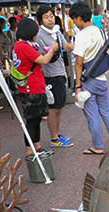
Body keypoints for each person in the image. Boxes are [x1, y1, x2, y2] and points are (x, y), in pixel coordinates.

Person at [71, 1, 109, 156]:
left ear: (79, 18)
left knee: (92, 114)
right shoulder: (100, 31)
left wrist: (78, 86)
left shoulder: (81, 36)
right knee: (107, 110)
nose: (74, 23)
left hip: (88, 79)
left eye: (74, 19)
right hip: (101, 78)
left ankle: (98, 146)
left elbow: (79, 63)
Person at [13, 18, 59, 158]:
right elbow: (44, 61)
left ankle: (37, 147)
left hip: (32, 87)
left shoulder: (20, 45)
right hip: (31, 88)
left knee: (36, 119)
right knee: (32, 121)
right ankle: (30, 150)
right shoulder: (25, 47)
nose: (36, 35)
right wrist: (52, 49)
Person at [36, 5, 75, 149]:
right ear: (40, 20)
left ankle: (57, 134)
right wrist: (51, 50)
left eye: (51, 16)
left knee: (59, 107)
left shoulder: (57, 32)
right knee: (52, 108)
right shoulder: (40, 36)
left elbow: (66, 47)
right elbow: (40, 56)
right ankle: (54, 138)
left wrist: (72, 45)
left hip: (60, 74)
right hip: (49, 76)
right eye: (46, 17)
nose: (50, 19)